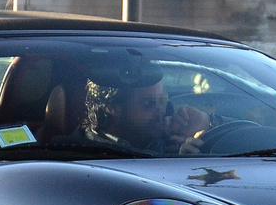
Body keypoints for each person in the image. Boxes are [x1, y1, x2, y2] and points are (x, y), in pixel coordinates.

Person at [73, 64, 208, 154]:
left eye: (162, 101)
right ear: (112, 109)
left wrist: (208, 122)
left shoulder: (167, 140)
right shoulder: (79, 155)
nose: (161, 111)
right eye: (149, 104)